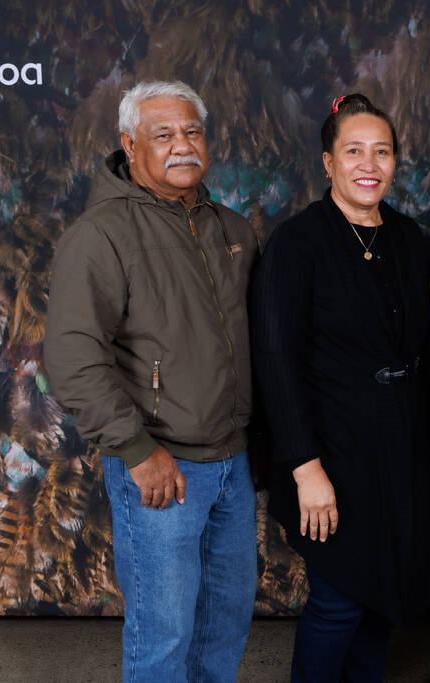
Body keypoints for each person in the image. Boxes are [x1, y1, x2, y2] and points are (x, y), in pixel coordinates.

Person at [44, 80, 259, 682]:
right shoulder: (102, 235)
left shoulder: (231, 229)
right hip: (160, 466)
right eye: (163, 134)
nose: (182, 145)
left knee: (224, 626)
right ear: (130, 144)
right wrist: (137, 451)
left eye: (192, 131)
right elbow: (73, 357)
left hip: (233, 462)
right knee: (163, 637)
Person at [249, 93, 430, 683]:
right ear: (328, 162)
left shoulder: (410, 239)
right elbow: (275, 361)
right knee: (340, 600)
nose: (369, 164)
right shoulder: (297, 243)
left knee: (382, 598)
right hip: (329, 452)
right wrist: (306, 469)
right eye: (354, 151)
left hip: (399, 450)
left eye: (382, 151)